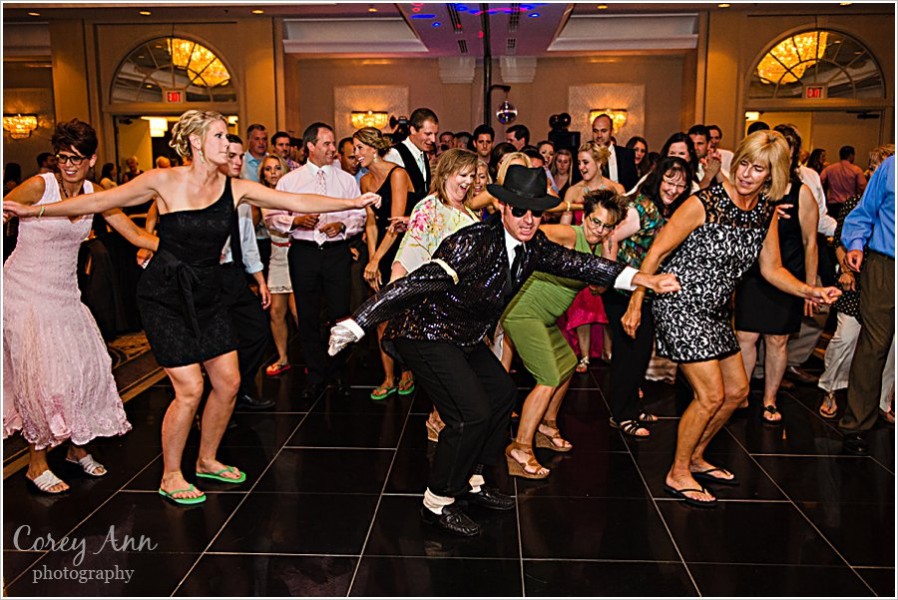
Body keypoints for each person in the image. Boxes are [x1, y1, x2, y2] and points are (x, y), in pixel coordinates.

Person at [4, 110, 380, 504]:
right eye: (218, 135)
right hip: (164, 295)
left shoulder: (233, 188)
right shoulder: (163, 181)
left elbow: (293, 198)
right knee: (190, 388)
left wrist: (352, 200)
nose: (226, 142)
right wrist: (34, 211)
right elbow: (99, 200)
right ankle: (170, 474)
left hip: (206, 292)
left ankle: (206, 459)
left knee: (229, 382)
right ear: (197, 142)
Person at [327, 165, 680, 536]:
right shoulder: (474, 241)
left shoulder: (533, 245)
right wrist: (358, 322)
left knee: (502, 392)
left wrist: (643, 278)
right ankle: (438, 501)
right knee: (469, 413)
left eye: (536, 212)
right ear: (501, 207)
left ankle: (472, 481)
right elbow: (418, 282)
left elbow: (582, 263)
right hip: (426, 332)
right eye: (519, 210)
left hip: (465, 335)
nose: (529, 220)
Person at [622, 130, 840, 508]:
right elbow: (656, 251)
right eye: (743, 164)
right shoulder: (703, 202)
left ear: (772, 176)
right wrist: (637, 301)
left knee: (737, 393)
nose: (746, 174)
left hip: (717, 311)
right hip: (680, 303)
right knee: (710, 395)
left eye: (758, 169)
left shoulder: (764, 214)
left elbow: (771, 270)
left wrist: (811, 290)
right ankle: (677, 473)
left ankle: (695, 456)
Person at [3, 119, 157, 494]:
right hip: (24, 293)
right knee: (45, 378)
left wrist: (187, 251)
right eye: (63, 157)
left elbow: (134, 233)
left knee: (87, 369)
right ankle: (35, 464)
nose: (68, 165)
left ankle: (76, 448)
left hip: (65, 295)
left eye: (76, 158)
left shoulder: (94, 192)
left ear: (92, 159)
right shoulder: (41, 185)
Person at [502, 188, 626, 478]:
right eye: (595, 222)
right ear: (585, 216)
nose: (599, 230)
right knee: (548, 376)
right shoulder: (571, 235)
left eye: (607, 226)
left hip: (545, 319)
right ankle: (519, 447)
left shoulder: (599, 247)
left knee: (568, 364)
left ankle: (546, 425)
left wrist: (609, 256)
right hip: (524, 313)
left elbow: (597, 289)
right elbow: (535, 232)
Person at [268, 122, 370, 400]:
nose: (332, 149)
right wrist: (295, 220)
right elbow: (272, 216)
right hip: (304, 252)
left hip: (337, 253)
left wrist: (342, 226)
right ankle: (314, 373)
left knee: (340, 313)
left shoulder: (347, 181)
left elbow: (359, 216)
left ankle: (338, 370)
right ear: (310, 146)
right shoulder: (290, 181)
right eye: (326, 143)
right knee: (308, 314)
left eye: (333, 143)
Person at [392, 148, 481, 440]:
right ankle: (440, 423)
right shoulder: (429, 207)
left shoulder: (469, 213)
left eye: (472, 175)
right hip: (435, 307)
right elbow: (409, 252)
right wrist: (393, 293)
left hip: (463, 310)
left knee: (458, 374)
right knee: (448, 375)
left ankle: (441, 419)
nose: (468, 181)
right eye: (462, 174)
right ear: (444, 173)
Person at [734, 124, 818, 424]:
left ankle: (769, 399)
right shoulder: (753, 191)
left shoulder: (801, 193)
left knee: (777, 340)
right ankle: (742, 395)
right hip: (753, 275)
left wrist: (808, 286)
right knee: (745, 335)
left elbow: (810, 242)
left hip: (787, 276)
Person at [604, 157, 693, 438]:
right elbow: (611, 236)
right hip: (623, 290)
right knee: (630, 353)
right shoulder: (643, 207)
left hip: (643, 290)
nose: (674, 188)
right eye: (669, 181)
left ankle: (631, 405)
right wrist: (610, 273)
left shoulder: (666, 209)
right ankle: (621, 415)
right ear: (658, 179)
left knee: (637, 353)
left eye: (680, 184)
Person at [817, 145, 895, 419]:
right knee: (862, 343)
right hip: (874, 269)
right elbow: (854, 224)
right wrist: (852, 255)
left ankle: (883, 404)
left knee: (889, 349)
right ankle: (847, 407)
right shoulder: (886, 173)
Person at [353, 126, 416, 400]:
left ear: (373, 148)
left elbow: (396, 224)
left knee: (403, 314)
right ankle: (388, 376)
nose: (355, 154)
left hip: (404, 249)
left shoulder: (398, 174)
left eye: (359, 148)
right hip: (380, 250)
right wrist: (371, 260)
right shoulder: (365, 181)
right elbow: (371, 224)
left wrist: (378, 259)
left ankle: (407, 370)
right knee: (380, 316)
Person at [838, 153, 894, 455]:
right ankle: (857, 425)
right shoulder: (891, 167)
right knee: (874, 345)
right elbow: (864, 212)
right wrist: (856, 244)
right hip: (886, 266)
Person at [561, 142, 625, 372]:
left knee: (607, 306)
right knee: (581, 304)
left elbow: (622, 224)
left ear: (599, 163)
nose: (581, 167)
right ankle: (585, 355)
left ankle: (609, 352)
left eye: (585, 162)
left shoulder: (616, 189)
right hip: (581, 250)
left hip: (608, 247)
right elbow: (565, 227)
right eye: (579, 162)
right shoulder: (573, 191)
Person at [258, 155, 298, 377]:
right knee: (276, 311)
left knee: (298, 311)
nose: (273, 173)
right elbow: (274, 224)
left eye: (277, 168)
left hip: (297, 252)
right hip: (277, 254)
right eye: (267, 169)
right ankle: (283, 357)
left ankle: (311, 357)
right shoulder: (263, 198)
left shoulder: (294, 194)